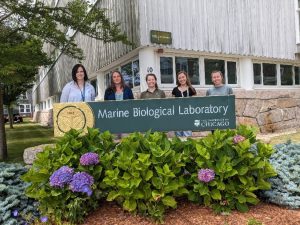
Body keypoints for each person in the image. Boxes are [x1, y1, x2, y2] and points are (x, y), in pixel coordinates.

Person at [172, 71, 196, 137]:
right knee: (178, 136)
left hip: (188, 116)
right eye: (179, 78)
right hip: (178, 116)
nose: (181, 79)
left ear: (186, 77)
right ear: (178, 79)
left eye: (183, 77)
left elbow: (195, 103)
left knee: (187, 136)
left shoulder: (191, 89)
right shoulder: (175, 90)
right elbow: (172, 103)